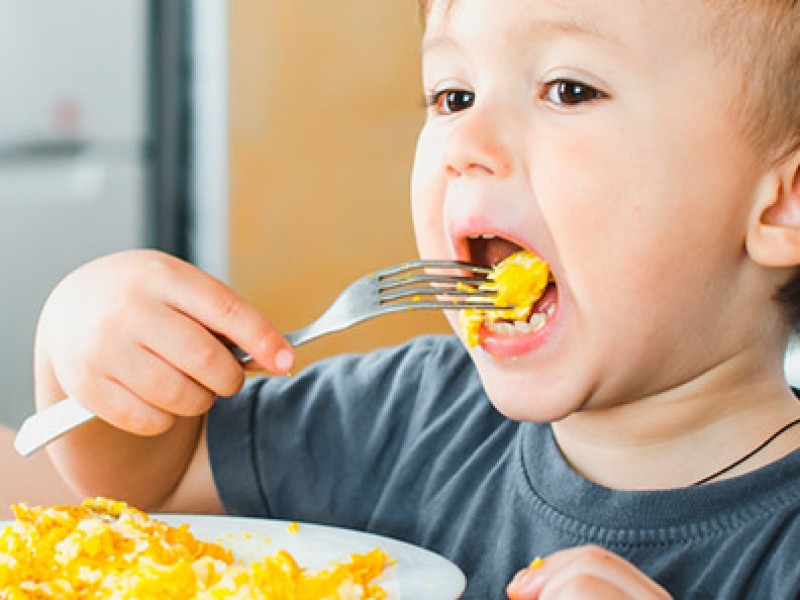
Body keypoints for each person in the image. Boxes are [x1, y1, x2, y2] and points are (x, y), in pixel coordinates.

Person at [30, 0, 800, 597]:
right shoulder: (411, 416)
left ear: (782, 205)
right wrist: (83, 332)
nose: (464, 143)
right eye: (452, 94)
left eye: (568, 89)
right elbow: (153, 482)